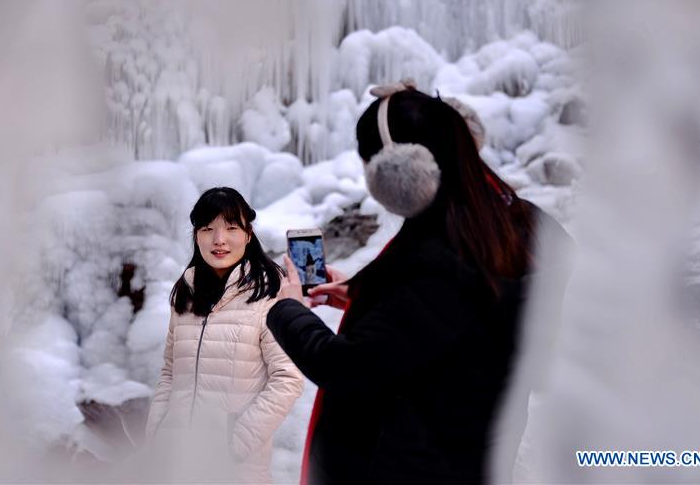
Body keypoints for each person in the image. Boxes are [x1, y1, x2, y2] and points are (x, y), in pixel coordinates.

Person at [266, 81, 572, 484]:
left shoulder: (439, 261)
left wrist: (286, 308)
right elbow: (440, 328)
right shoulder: (513, 222)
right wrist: (363, 294)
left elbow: (344, 368)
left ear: (401, 173)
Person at [144, 187, 304, 483]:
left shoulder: (270, 293)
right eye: (208, 229)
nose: (219, 240)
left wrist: (234, 444)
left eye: (231, 227)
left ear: (248, 234)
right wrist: (158, 431)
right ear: (196, 236)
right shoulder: (186, 293)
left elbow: (288, 378)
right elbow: (169, 372)